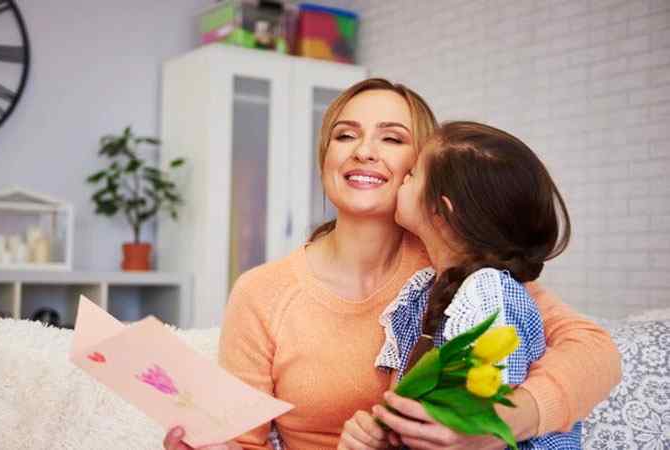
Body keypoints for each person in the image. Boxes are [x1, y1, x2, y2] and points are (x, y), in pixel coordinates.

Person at [163, 79, 621, 450]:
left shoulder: (461, 272)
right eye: (345, 135)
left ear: (423, 166)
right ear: (325, 159)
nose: (363, 150)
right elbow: (246, 443)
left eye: (391, 137)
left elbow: (595, 353)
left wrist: (492, 426)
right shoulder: (261, 291)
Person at [339, 121, 583, 449]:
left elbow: (475, 426)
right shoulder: (425, 289)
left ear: (440, 210)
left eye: (411, 175)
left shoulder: (488, 294)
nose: (402, 182)